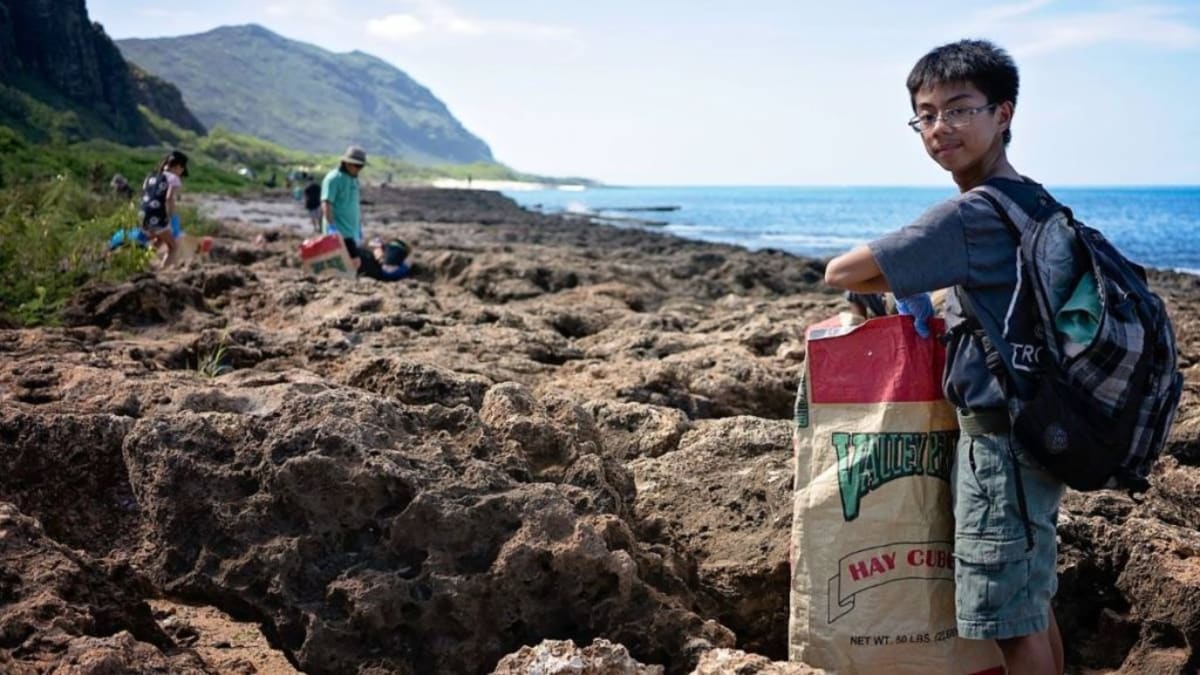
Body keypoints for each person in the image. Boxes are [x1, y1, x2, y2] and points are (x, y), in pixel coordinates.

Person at [823, 40, 1066, 675]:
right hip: (1041, 430)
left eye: (959, 110)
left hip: (998, 445)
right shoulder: (1036, 202)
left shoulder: (973, 213)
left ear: (1003, 113)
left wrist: (906, 277)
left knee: (1010, 625)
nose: (939, 129)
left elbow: (843, 270)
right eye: (925, 115)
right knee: (1033, 607)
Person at [139, 150, 189, 268]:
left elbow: (145, 193)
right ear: (178, 167)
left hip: (143, 213)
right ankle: (163, 271)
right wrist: (173, 218)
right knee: (173, 247)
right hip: (157, 216)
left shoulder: (151, 175)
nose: (181, 174)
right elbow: (169, 198)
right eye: (182, 170)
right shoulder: (174, 179)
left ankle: (141, 262)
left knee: (160, 239)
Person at [321, 145, 367, 269]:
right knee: (353, 262)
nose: (359, 169)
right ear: (347, 163)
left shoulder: (354, 180)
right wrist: (331, 227)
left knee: (351, 262)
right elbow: (326, 203)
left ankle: (343, 282)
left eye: (361, 166)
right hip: (340, 230)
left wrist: (358, 227)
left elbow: (353, 204)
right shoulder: (333, 179)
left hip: (351, 230)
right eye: (357, 166)